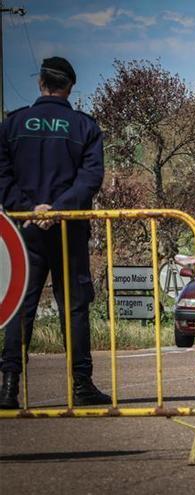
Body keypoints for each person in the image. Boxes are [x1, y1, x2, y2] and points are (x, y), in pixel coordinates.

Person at [0, 57, 109, 408]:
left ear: (40, 84)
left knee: (21, 306)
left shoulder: (12, 124)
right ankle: (81, 385)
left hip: (23, 230)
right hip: (70, 229)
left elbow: (2, 176)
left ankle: (8, 387)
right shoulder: (84, 126)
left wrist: (30, 209)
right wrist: (59, 208)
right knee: (74, 308)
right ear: (70, 87)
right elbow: (90, 179)